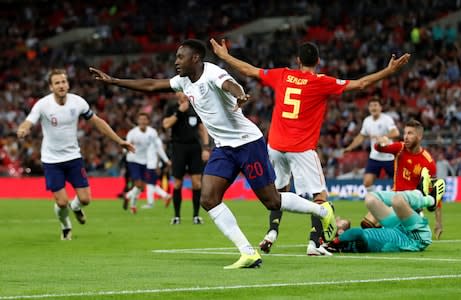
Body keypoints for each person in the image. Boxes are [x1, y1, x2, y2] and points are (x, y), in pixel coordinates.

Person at [89, 39, 337, 269]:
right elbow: (153, 85)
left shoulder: (212, 73)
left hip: (248, 143)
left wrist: (240, 94)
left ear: (195, 58)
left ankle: (323, 211)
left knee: (272, 201)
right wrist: (114, 81)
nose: (176, 61)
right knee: (208, 198)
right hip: (224, 148)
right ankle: (247, 252)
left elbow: (230, 84)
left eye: (180, 57)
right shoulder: (184, 80)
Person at [209, 38, 410, 255]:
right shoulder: (321, 82)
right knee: (320, 196)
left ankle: (272, 232)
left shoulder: (283, 74)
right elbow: (360, 84)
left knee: (278, 193)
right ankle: (314, 244)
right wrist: (389, 71)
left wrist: (225, 56)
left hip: (275, 146)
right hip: (301, 148)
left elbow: (249, 70)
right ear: (318, 61)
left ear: (298, 61)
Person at [16, 68, 134, 240]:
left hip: (73, 158)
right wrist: (23, 129)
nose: (61, 85)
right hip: (51, 160)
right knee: (61, 202)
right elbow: (29, 121)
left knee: (85, 199)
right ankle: (65, 226)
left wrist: (119, 140)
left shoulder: (78, 102)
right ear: (51, 87)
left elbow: (97, 122)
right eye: (57, 83)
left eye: (63, 82)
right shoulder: (43, 105)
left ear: (68, 84)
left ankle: (76, 207)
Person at [359, 119, 444, 239]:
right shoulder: (400, 148)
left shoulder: (428, 162)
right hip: (394, 198)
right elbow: (380, 148)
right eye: (405, 133)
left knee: (376, 222)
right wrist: (381, 144)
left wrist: (438, 222)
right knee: (366, 224)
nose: (406, 137)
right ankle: (395, 230)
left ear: (419, 136)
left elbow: (435, 194)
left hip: (410, 203)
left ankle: (411, 222)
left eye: (410, 133)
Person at [325, 170, 445, 253]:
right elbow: (356, 233)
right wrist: (334, 242)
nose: (338, 218)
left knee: (370, 199)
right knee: (397, 201)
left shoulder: (351, 241)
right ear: (340, 232)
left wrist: (332, 242)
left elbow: (357, 233)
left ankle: (419, 196)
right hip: (415, 238)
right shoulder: (353, 240)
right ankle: (429, 199)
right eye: (336, 221)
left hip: (396, 229)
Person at [162, 93, 210, 224]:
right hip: (178, 148)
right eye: (181, 91)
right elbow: (165, 125)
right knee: (177, 183)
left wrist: (205, 147)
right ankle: (177, 216)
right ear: (177, 94)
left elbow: (202, 129)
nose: (184, 94)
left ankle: (196, 216)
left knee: (197, 183)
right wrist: (179, 112)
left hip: (194, 148)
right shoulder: (172, 108)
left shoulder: (195, 107)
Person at [343, 96, 399, 193]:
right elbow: (361, 136)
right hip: (375, 157)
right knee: (367, 182)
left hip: (389, 157)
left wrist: (383, 137)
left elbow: (395, 133)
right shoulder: (367, 121)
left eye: (376, 105)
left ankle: (401, 202)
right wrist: (350, 147)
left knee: (398, 183)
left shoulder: (387, 119)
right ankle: (374, 204)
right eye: (371, 106)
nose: (373, 108)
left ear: (381, 107)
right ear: (368, 108)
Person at [124, 112, 158, 214]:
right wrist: (128, 148)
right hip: (133, 160)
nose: (143, 121)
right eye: (141, 119)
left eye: (145, 119)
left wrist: (156, 160)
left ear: (148, 121)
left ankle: (128, 196)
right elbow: (125, 146)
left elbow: (156, 146)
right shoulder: (132, 133)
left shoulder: (152, 132)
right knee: (138, 184)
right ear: (138, 121)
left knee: (142, 187)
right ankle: (133, 206)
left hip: (144, 161)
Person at [143, 131, 172, 209]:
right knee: (151, 184)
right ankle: (166, 196)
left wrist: (158, 165)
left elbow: (159, 153)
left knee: (149, 184)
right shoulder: (151, 141)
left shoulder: (156, 141)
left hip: (153, 166)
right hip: (150, 165)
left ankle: (151, 203)